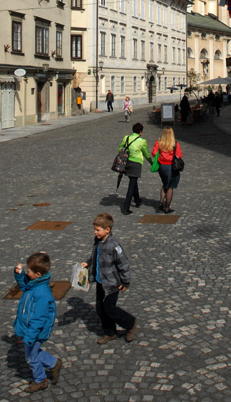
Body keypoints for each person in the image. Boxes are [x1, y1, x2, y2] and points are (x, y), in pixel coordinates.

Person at [82, 212, 137, 345]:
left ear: (108, 230)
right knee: (100, 309)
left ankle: (130, 323)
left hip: (112, 283)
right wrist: (88, 263)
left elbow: (123, 264)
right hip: (101, 282)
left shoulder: (114, 245)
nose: (95, 232)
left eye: (98, 230)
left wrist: (125, 281)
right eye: (95, 230)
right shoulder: (98, 242)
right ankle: (110, 332)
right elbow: (95, 256)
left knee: (109, 308)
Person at [13, 252, 62, 393]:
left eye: (28, 271)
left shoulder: (41, 293)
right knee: (33, 353)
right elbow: (24, 286)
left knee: (31, 357)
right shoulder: (34, 284)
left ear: (38, 274)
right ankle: (53, 363)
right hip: (29, 329)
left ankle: (40, 380)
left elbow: (38, 319)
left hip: (35, 331)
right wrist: (19, 274)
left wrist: (29, 336)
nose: (26, 272)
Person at [119, 122, 152, 214]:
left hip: (126, 163)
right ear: (140, 132)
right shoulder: (142, 141)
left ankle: (137, 201)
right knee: (132, 185)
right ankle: (126, 207)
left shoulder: (127, 138)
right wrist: (151, 162)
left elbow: (120, 149)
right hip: (136, 164)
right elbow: (146, 154)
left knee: (133, 182)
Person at [151, 127, 183, 213]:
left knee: (165, 183)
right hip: (171, 167)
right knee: (170, 187)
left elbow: (153, 153)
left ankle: (161, 202)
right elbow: (179, 155)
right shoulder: (175, 144)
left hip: (162, 166)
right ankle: (167, 207)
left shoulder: (159, 142)